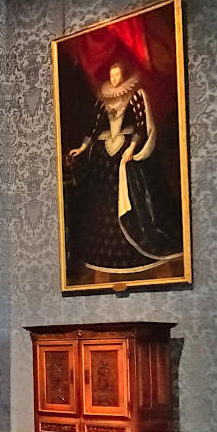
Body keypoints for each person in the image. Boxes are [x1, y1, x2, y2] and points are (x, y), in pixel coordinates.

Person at [63, 59, 182, 276]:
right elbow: (95, 126)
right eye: (112, 75)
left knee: (131, 185)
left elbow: (139, 124)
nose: (114, 79)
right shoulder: (103, 100)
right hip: (104, 151)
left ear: (124, 76)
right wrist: (82, 148)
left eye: (117, 75)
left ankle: (137, 235)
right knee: (99, 197)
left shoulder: (136, 95)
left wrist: (132, 149)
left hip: (127, 149)